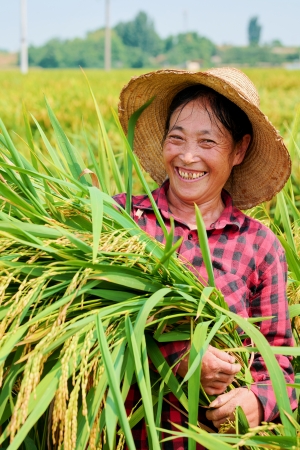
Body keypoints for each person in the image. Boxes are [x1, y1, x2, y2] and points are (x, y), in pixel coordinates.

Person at [115, 68, 297, 449]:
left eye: (207, 142)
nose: (187, 155)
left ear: (239, 150)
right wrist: (175, 356)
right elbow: (85, 321)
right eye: (176, 138)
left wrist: (259, 402)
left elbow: (280, 367)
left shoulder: (259, 246)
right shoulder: (123, 222)